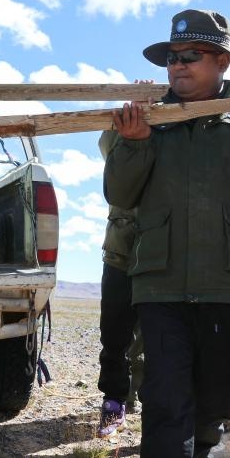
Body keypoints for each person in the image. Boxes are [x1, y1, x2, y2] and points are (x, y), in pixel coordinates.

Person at [104, 10, 230, 458]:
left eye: (189, 56)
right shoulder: (148, 121)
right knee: (165, 391)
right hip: (161, 281)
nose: (177, 65)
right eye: (171, 58)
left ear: (222, 62)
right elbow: (121, 197)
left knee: (212, 397)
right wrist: (133, 143)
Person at [95, 129, 143, 438]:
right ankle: (114, 404)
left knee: (161, 338)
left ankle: (154, 407)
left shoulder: (176, 129)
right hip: (120, 251)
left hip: (165, 256)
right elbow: (107, 146)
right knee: (114, 335)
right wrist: (127, 125)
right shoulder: (121, 132)